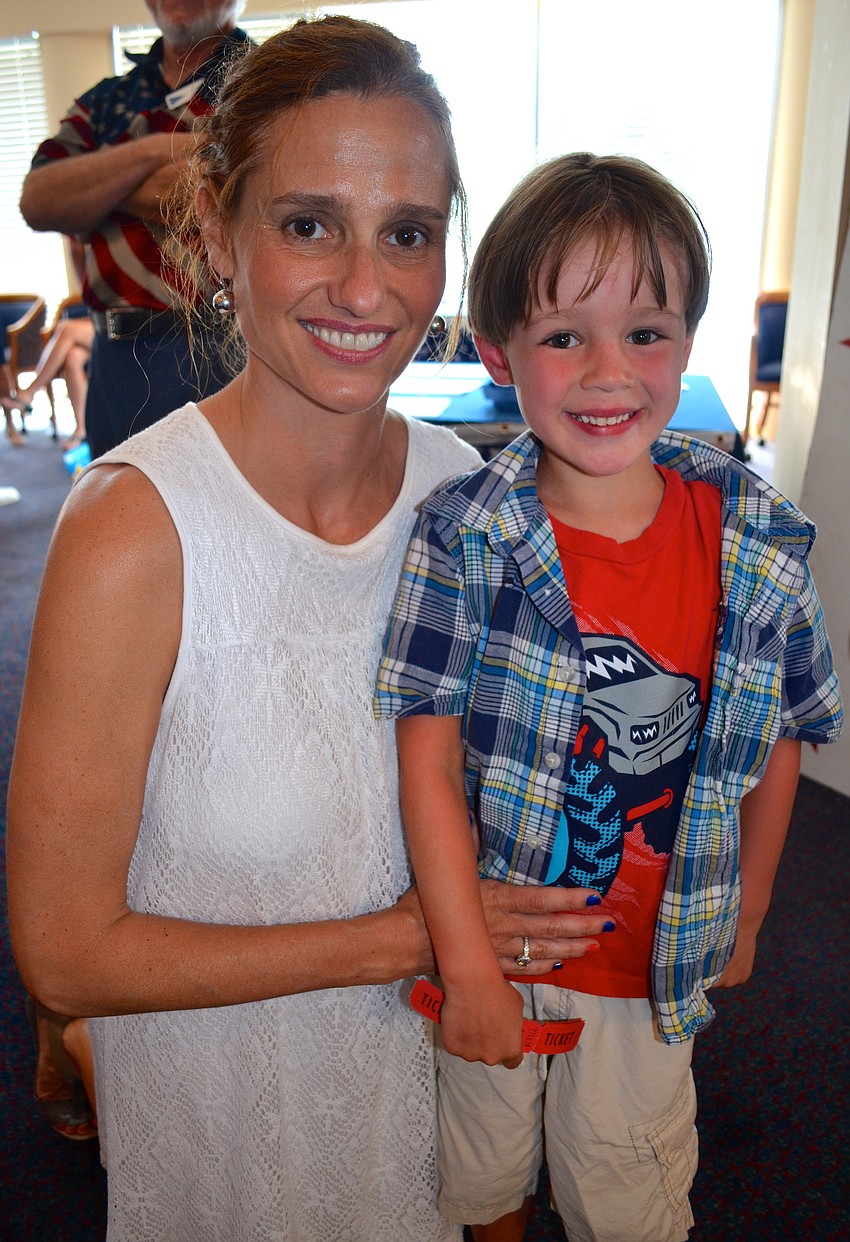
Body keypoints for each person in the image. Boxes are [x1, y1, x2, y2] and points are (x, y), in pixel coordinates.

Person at [6, 21, 608, 1241]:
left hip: (433, 1114)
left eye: (407, 234)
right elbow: (66, 954)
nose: (365, 287)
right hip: (235, 1135)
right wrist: (411, 935)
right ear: (222, 238)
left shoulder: (474, 503)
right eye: (307, 224)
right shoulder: (137, 530)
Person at [375, 152, 844, 1242]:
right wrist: (462, 960)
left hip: (652, 962)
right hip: (497, 942)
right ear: (498, 353)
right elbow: (427, 762)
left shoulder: (757, 540)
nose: (606, 373)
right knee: (482, 1177)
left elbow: (783, 740)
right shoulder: (463, 539)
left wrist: (756, 908)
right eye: (560, 337)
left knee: (625, 1196)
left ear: (687, 341)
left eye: (645, 332)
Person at [18, 2, 251, 460]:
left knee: (235, 513)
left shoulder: (272, 86)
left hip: (233, 349)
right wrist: (150, 153)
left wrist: (95, 188)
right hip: (117, 360)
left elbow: (235, 201)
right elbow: (40, 201)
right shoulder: (104, 101)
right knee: (121, 507)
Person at [1, 312, 94, 450]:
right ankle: (81, 429)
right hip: (97, 325)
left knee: (66, 329)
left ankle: (29, 392)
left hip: (120, 325)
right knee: (73, 357)